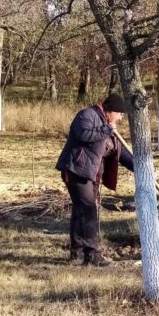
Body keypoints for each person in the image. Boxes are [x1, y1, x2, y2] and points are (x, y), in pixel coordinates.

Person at [56, 93, 134, 266]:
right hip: (76, 170)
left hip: (91, 175)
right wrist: (107, 130)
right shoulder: (86, 115)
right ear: (110, 111)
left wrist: (140, 167)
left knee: (80, 212)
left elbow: (118, 153)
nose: (120, 118)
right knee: (88, 210)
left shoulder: (108, 127)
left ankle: (76, 254)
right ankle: (92, 255)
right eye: (120, 114)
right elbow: (84, 134)